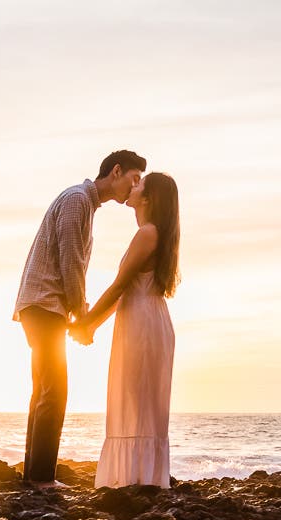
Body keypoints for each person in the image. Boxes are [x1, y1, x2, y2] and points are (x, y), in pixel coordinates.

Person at [12, 150, 146, 489]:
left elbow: (71, 262)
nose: (136, 187)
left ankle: (33, 475)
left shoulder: (83, 203)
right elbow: (70, 261)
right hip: (45, 304)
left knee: (43, 389)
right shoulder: (77, 201)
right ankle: (42, 478)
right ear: (116, 171)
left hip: (42, 304)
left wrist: (78, 311)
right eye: (133, 178)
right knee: (55, 390)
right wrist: (82, 315)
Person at [75, 172, 180, 489]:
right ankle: (140, 479)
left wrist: (86, 323)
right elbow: (125, 291)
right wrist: (91, 325)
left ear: (148, 199)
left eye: (140, 185)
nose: (133, 187)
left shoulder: (148, 233)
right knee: (137, 402)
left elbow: (120, 286)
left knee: (137, 403)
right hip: (144, 318)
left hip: (142, 323)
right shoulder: (155, 234)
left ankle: (134, 480)